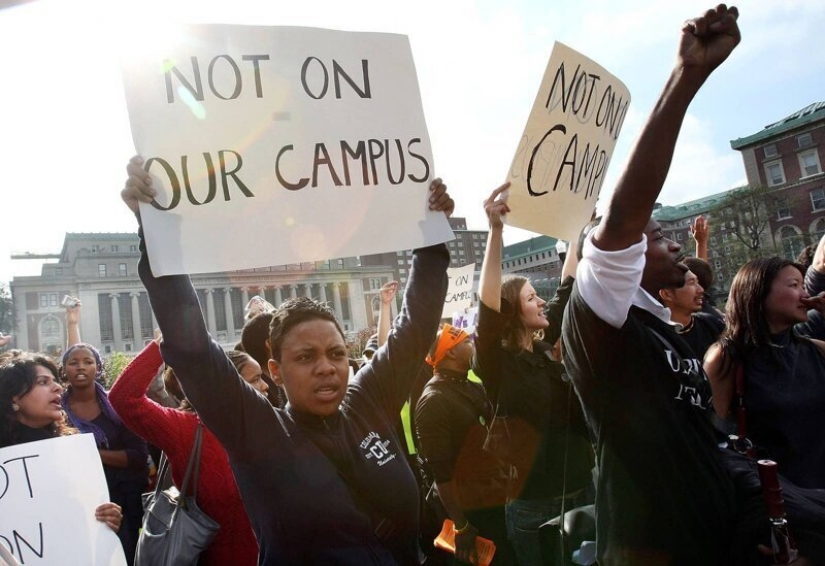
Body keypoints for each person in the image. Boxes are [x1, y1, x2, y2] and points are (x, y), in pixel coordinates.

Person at [561, 6, 825, 564]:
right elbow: (624, 216)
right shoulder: (602, 322)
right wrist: (687, 77)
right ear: (621, 257)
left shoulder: (669, 333)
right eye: (659, 237)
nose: (676, 245)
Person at [122, 156, 453, 564]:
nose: (326, 366)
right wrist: (154, 232)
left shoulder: (369, 401)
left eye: (336, 353)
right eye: (305, 357)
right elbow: (192, 350)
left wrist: (431, 237)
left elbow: (416, 324)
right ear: (275, 371)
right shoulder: (257, 432)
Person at [475, 184, 594, 565]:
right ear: (512, 313)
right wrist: (496, 232)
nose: (541, 301)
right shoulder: (497, 363)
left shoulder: (543, 350)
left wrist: (576, 235)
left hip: (584, 490)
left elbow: (566, 289)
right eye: (530, 298)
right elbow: (487, 309)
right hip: (535, 508)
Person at [109, 338, 262, 565]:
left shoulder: (270, 426)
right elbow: (124, 397)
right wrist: (164, 342)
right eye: (255, 380)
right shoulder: (185, 430)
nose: (265, 386)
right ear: (227, 386)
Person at [703, 257, 825, 489]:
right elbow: (712, 441)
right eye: (794, 285)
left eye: (804, 285)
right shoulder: (726, 357)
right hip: (782, 498)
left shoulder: (816, 350)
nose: (805, 294)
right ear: (758, 291)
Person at [415, 324, 515, 565]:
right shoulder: (433, 401)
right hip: (470, 515)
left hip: (493, 501)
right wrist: (461, 525)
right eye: (467, 341)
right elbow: (442, 475)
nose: (474, 344)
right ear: (450, 352)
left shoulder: (472, 386)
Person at [0, 354, 123, 532]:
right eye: (43, 382)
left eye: (55, 381)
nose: (58, 387)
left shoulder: (73, 451)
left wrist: (107, 519)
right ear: (14, 398)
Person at [61, 342, 149, 565]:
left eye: (88, 362)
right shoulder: (56, 410)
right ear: (64, 370)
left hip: (123, 500)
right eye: (74, 363)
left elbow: (138, 457)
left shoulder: (117, 406)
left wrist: (88, 452)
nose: (81, 367)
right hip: (78, 502)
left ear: (98, 369)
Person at [658, 269, 724, 359]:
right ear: (666, 294)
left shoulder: (712, 325)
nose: (701, 290)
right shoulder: (653, 336)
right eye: (691, 283)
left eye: (698, 282)